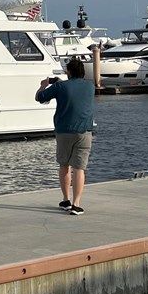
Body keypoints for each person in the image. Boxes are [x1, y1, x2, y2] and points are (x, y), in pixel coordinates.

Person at [35, 56, 96, 215]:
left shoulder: (60, 86)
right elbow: (74, 89)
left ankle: (66, 200)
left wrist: (43, 86)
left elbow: (40, 98)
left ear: (68, 72)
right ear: (83, 72)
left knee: (64, 165)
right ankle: (76, 204)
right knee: (79, 168)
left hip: (64, 131)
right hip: (84, 132)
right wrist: (60, 82)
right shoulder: (90, 86)